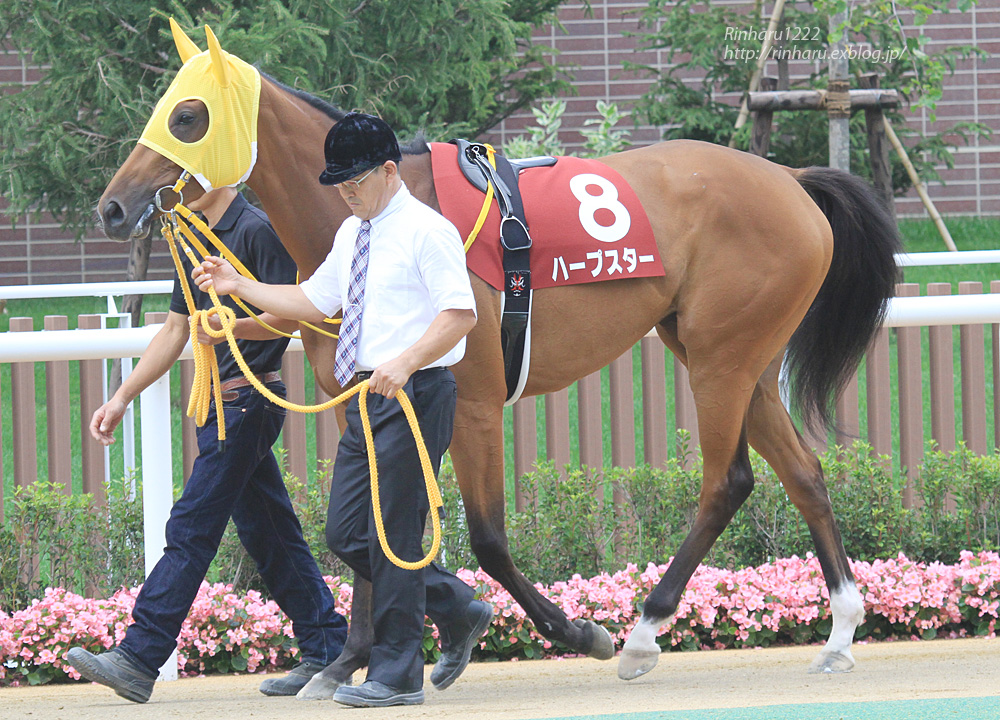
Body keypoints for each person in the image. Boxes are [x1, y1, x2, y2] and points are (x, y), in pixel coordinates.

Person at [192, 112, 493, 708]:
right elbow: (311, 299)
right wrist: (237, 285)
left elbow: (460, 314)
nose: (345, 191)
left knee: (393, 535)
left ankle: (399, 674)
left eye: (354, 180)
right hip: (365, 395)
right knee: (350, 532)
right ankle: (458, 607)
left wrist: (405, 362)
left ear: (388, 170)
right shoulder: (354, 234)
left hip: (414, 393)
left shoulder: (427, 231)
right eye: (338, 182)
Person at [66, 186, 349, 703]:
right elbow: (176, 329)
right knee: (270, 533)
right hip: (222, 408)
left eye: (186, 172)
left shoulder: (257, 230)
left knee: (192, 525)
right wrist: (122, 397)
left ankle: (138, 655)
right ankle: (327, 645)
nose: (172, 185)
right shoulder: (192, 240)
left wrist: (232, 327)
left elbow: (292, 315)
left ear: (215, 175)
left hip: (249, 402)